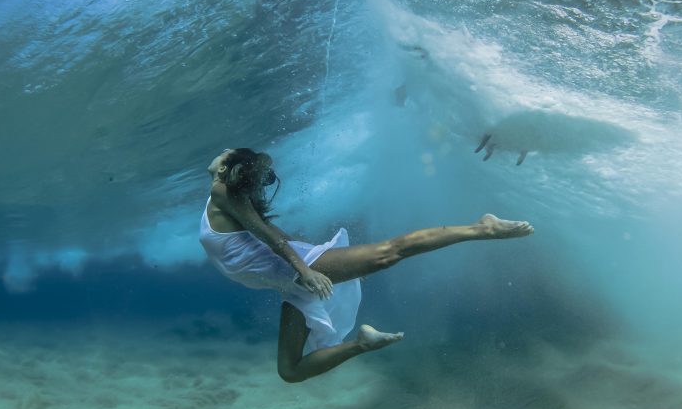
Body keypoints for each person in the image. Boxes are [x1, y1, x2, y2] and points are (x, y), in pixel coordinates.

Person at [199, 148, 534, 383]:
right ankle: (362, 343)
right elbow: (269, 232)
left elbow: (272, 238)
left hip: (300, 271)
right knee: (290, 371)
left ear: (228, 169)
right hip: (289, 282)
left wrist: (305, 268)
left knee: (388, 253)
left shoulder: (220, 191)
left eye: (227, 153)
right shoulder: (225, 195)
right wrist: (299, 270)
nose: (222, 151)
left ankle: (482, 227)